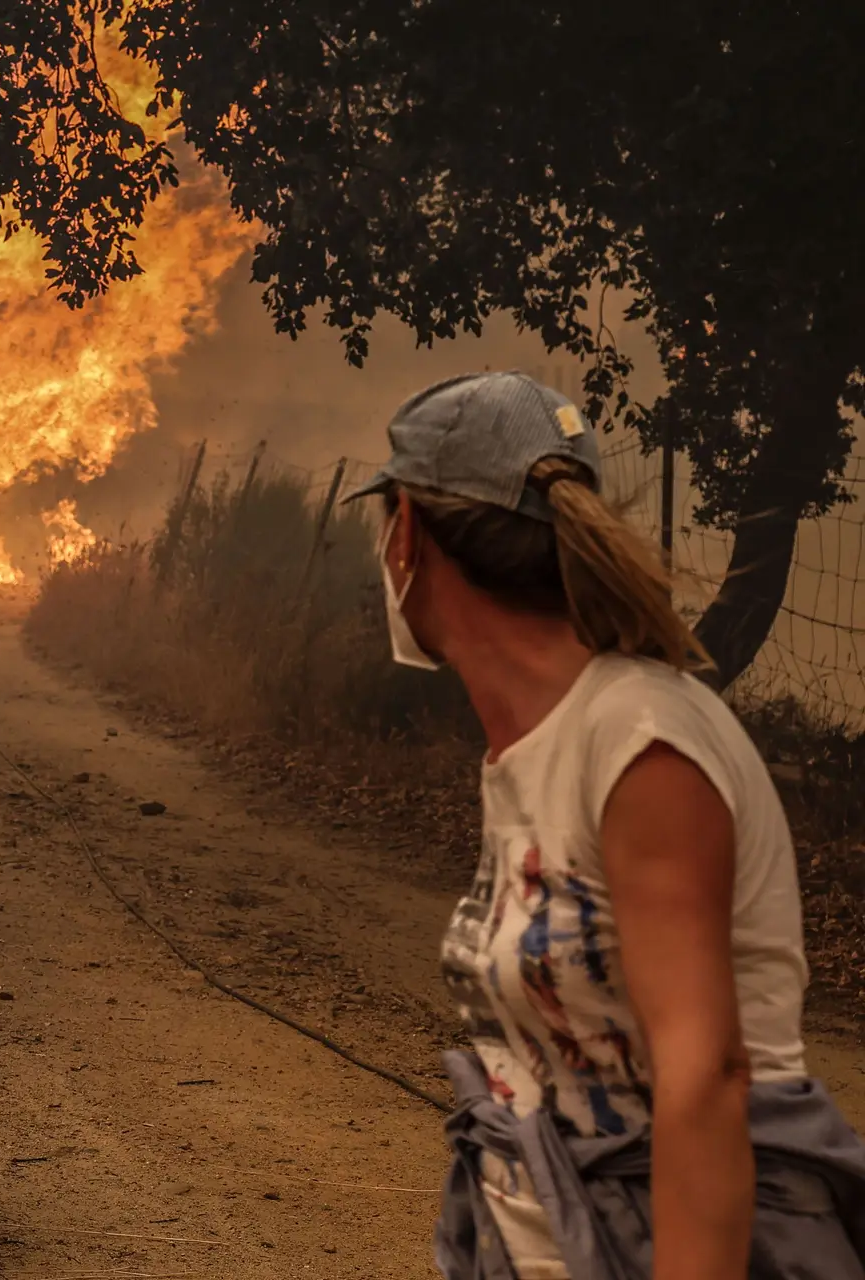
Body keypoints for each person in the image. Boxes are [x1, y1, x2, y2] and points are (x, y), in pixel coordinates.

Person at [347, 372, 865, 1279]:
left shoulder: (640, 740)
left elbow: (706, 1083)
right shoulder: (533, 743)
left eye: (383, 519)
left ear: (409, 537)